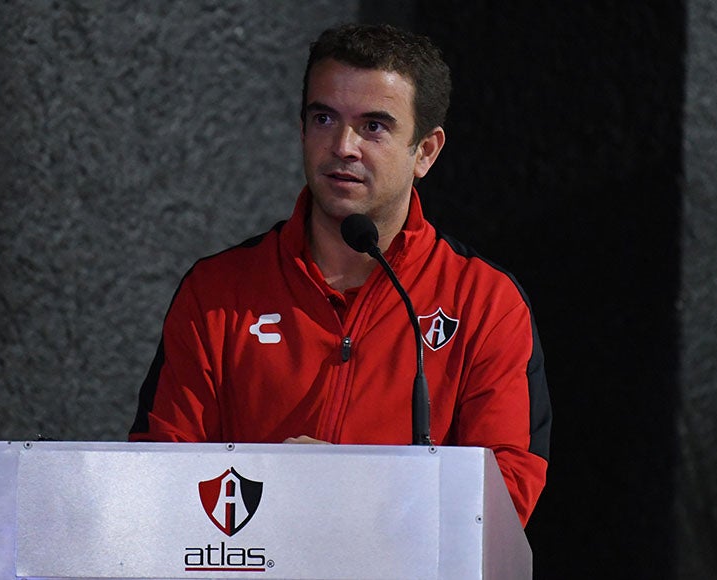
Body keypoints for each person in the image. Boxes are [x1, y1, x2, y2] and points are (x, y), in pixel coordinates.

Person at [129, 23, 551, 526]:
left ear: (426, 152)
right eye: (324, 118)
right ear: (302, 129)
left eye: (374, 126)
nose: (343, 145)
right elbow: (159, 476)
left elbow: (505, 495)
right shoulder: (218, 291)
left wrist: (342, 488)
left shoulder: (484, 301)